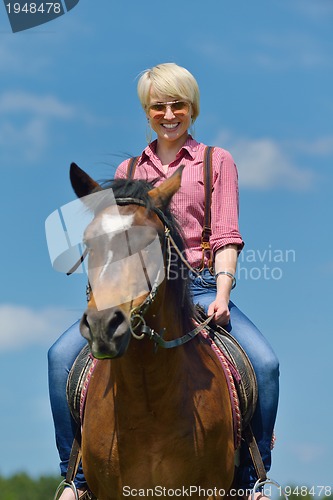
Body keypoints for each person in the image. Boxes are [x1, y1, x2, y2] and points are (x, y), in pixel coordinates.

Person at [48, 62, 279, 499]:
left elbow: (227, 235)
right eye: (159, 107)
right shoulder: (130, 167)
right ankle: (75, 479)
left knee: (265, 365)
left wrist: (224, 293)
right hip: (135, 287)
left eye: (178, 105)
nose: (169, 114)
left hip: (201, 285)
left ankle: (252, 481)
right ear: (147, 111)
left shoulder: (216, 160)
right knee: (60, 356)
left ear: (192, 109)